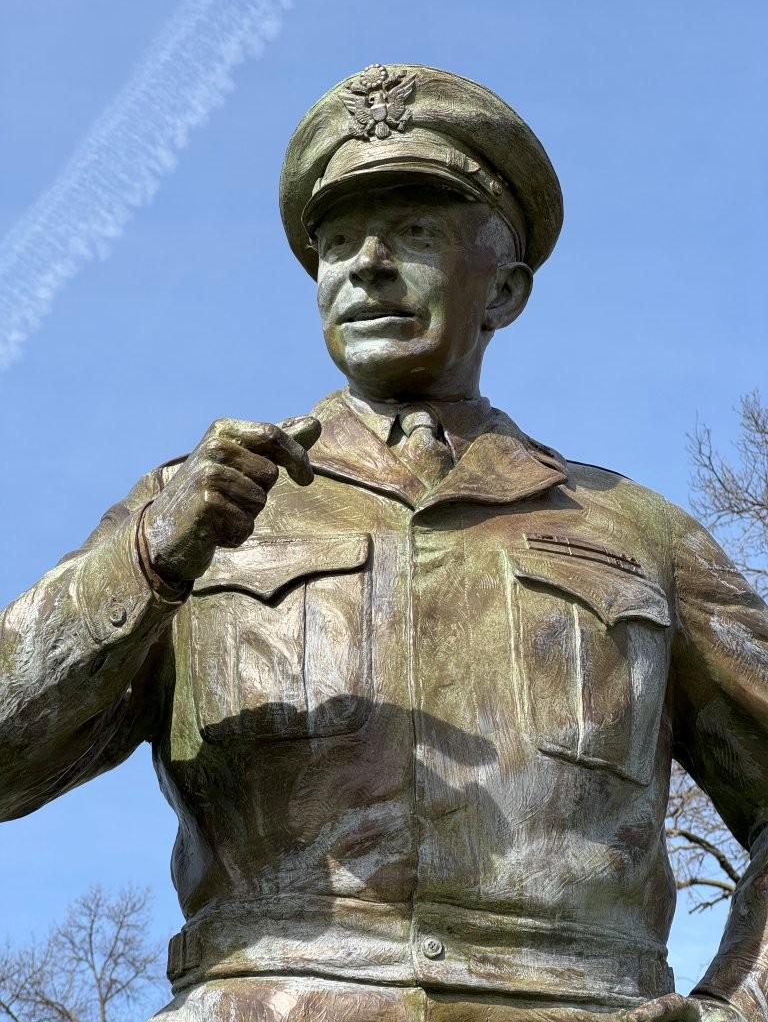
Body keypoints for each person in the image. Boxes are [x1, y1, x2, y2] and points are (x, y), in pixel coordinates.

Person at [0, 64, 765, 1022]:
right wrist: (150, 557)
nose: (365, 264)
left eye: (414, 232)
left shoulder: (638, 533)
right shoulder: (196, 509)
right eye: (335, 243)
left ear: (505, 290)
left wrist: (738, 1007)